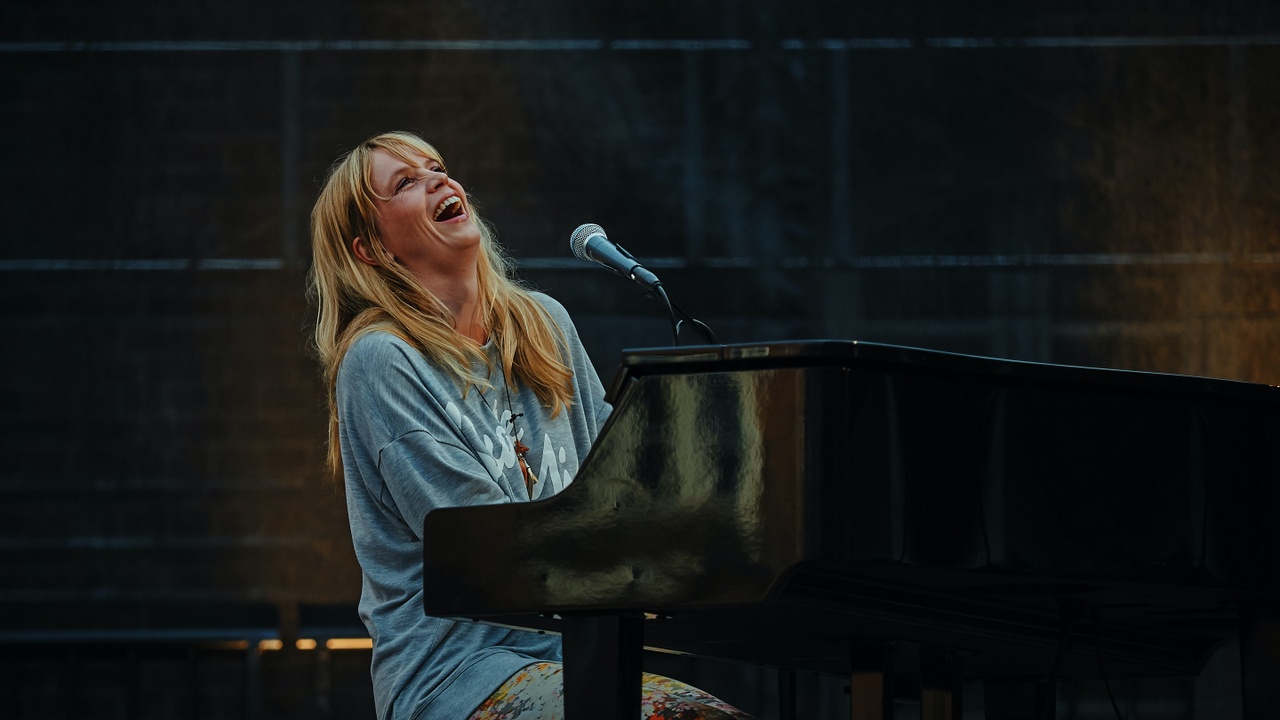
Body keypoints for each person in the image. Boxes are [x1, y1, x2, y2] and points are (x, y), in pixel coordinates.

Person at [308, 131, 752, 720]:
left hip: (580, 659)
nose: (439, 179)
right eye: (406, 182)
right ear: (371, 249)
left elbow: (616, 485)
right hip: (458, 678)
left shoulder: (545, 323)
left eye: (437, 166)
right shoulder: (381, 358)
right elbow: (488, 545)